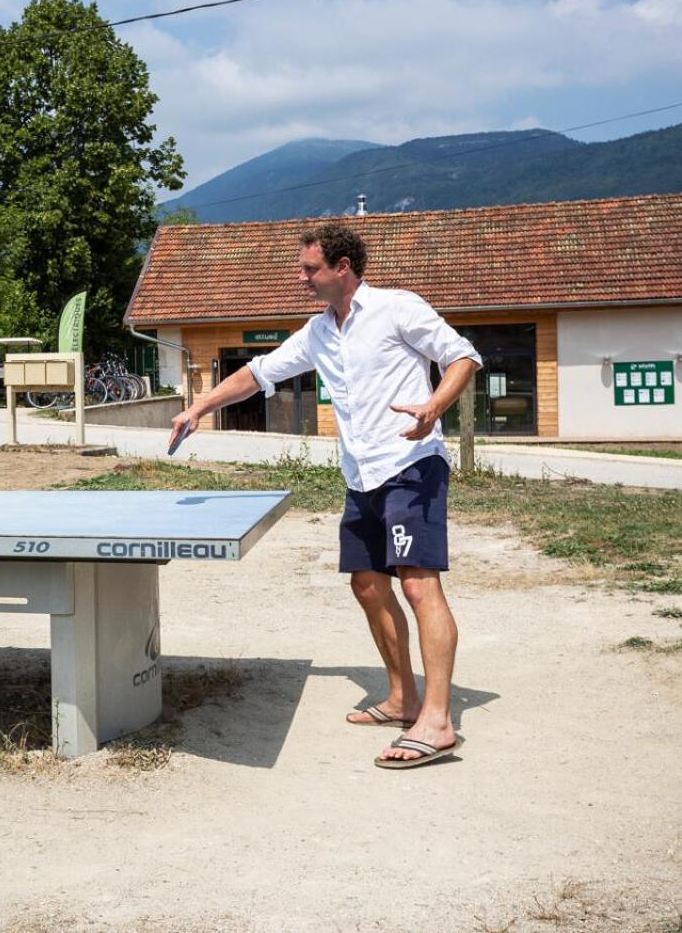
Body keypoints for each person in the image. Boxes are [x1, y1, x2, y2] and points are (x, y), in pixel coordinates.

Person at [167, 222, 481, 769]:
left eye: (310, 268)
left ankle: (438, 720)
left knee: (417, 584)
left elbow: (463, 357)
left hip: (411, 465)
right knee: (366, 585)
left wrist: (434, 405)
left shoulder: (397, 308)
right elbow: (258, 373)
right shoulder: (318, 331)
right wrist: (200, 407)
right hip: (361, 476)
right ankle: (403, 695)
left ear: (343, 267)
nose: (302, 278)